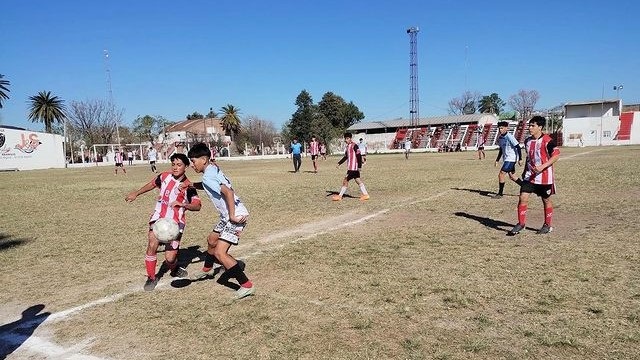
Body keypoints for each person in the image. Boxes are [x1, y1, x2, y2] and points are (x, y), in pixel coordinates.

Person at [187, 142, 255, 299]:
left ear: (204, 159)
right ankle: (207, 270)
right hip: (227, 216)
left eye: (193, 161)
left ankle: (246, 285)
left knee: (219, 252)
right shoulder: (212, 168)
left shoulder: (207, 176)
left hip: (235, 216)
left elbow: (228, 193)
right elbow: (211, 185)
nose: (192, 165)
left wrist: (232, 216)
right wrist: (191, 184)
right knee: (212, 239)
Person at [125, 153, 202, 291]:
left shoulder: (188, 186)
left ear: (186, 167)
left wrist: (183, 205)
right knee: (152, 244)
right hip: (158, 219)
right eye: (173, 164)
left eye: (179, 165)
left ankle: (174, 268)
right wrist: (136, 193)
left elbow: (198, 206)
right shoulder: (164, 176)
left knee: (170, 258)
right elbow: (152, 184)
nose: (175, 167)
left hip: (175, 224)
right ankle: (151, 278)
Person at [507, 116, 560, 236]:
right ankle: (521, 223)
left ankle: (547, 225)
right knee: (522, 197)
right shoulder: (527, 141)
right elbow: (529, 158)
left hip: (545, 177)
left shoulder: (547, 140)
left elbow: (556, 155)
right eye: (529, 126)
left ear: (540, 127)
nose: (530, 128)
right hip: (529, 176)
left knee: (546, 200)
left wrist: (542, 166)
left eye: (533, 126)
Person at [332, 132, 369, 201]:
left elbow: (358, 155)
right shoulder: (347, 147)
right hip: (351, 168)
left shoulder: (354, 145)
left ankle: (340, 196)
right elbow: (346, 156)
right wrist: (339, 163)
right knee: (358, 180)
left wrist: (359, 166)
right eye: (345, 139)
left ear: (350, 138)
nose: (346, 140)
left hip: (353, 168)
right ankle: (366, 195)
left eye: (347, 138)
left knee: (345, 180)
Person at [492, 121, 522, 199]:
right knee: (512, 176)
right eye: (499, 128)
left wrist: (520, 159)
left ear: (506, 128)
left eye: (502, 128)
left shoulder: (510, 136)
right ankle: (526, 187)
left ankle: (500, 194)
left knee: (501, 174)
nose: (500, 130)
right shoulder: (500, 138)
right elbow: (501, 150)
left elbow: (518, 147)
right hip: (506, 159)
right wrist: (497, 160)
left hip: (511, 158)